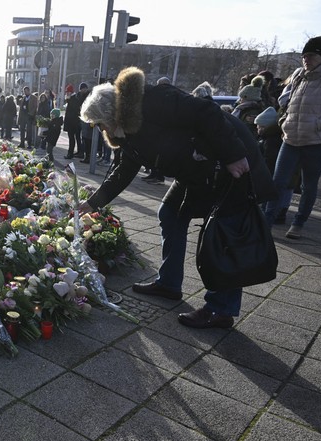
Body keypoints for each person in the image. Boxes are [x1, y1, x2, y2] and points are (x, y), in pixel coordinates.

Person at [78, 66, 276, 329]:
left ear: (109, 114)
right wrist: (92, 203)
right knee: (170, 213)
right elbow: (124, 169)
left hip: (230, 164)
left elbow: (206, 111)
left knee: (224, 234)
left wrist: (232, 155)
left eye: (99, 123)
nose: (99, 129)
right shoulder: (127, 131)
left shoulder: (152, 100)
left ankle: (220, 309)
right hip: (196, 170)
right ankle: (169, 283)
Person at [263, 36, 321, 239]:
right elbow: (286, 102)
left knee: (308, 185)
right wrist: (284, 120)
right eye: (304, 55)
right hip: (290, 139)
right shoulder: (298, 76)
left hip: (318, 142)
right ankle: (266, 222)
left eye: (311, 55)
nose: (306, 59)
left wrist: (317, 124)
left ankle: (298, 223)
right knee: (277, 182)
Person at [64, 83, 86, 158]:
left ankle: (70, 153)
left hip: (73, 123)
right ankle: (73, 152)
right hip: (72, 123)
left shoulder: (73, 99)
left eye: (67, 92)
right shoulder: (71, 99)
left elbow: (74, 112)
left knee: (72, 139)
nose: (66, 94)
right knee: (74, 138)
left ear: (70, 92)